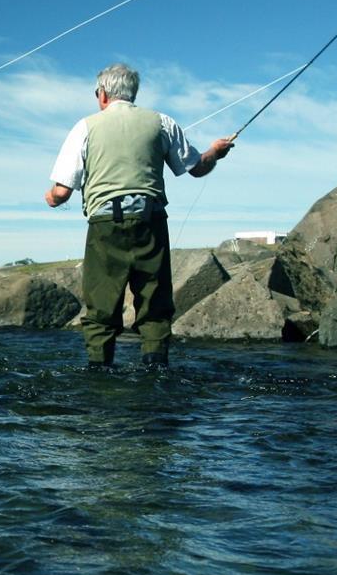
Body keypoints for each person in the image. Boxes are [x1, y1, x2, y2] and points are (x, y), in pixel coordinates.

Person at [44, 62, 234, 368]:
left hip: (105, 226)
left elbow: (62, 192)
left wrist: (51, 197)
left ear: (102, 94)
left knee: (101, 307)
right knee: (155, 304)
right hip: (152, 223)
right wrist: (216, 152)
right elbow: (198, 168)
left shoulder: (84, 127)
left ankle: (99, 371)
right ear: (133, 93)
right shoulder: (162, 122)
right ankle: (156, 371)